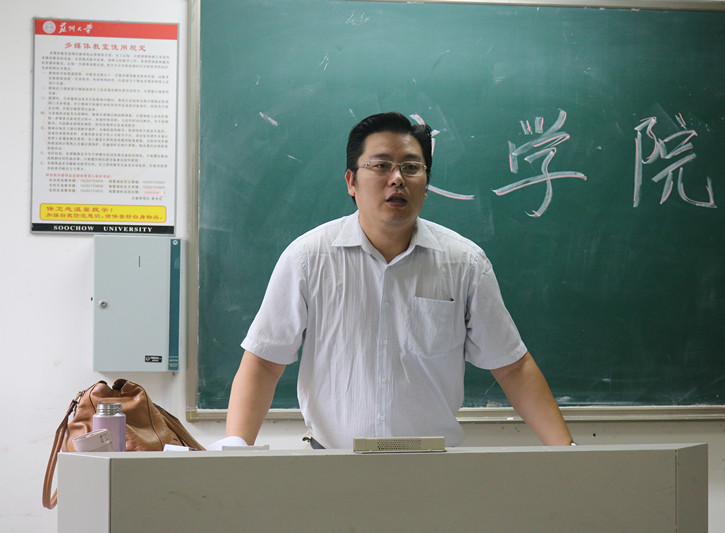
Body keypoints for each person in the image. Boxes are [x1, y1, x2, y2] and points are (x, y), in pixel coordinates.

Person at [220, 112, 573, 449]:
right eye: (381, 165)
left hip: (432, 467)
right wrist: (236, 445)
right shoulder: (308, 259)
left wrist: (569, 454)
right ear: (351, 182)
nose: (397, 178)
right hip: (333, 464)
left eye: (411, 167)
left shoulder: (464, 263)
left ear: (426, 184)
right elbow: (264, 362)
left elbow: (513, 367)